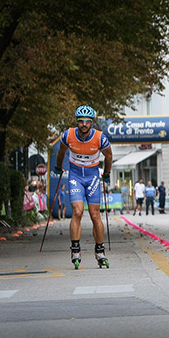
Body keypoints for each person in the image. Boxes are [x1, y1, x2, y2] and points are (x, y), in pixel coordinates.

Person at [54, 105, 113, 268]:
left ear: (92, 123)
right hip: (75, 176)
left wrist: (106, 173)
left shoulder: (100, 137)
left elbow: (109, 155)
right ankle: (75, 249)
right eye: (81, 121)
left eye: (87, 121)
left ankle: (100, 250)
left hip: (92, 176)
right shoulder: (68, 135)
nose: (84, 124)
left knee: (95, 215)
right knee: (78, 211)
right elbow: (61, 152)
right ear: (77, 122)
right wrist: (58, 167)